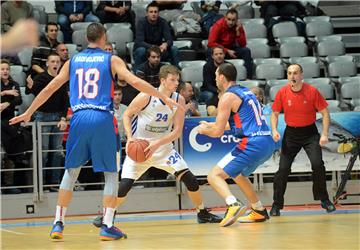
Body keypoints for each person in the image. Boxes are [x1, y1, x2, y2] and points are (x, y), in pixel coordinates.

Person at [9, 23, 182, 241]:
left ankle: (58, 223)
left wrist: (29, 112)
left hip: (79, 118)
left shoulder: (72, 61)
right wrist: (163, 97)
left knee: (71, 172)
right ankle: (107, 225)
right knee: (110, 174)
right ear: (103, 37)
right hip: (102, 117)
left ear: (86, 38)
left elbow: (50, 88)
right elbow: (135, 81)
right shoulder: (111, 59)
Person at [92, 65, 222, 229]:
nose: (176, 83)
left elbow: (177, 132)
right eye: (172, 80)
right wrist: (131, 138)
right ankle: (107, 215)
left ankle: (202, 213)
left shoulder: (178, 99)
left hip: (163, 149)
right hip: (140, 147)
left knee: (191, 180)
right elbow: (127, 114)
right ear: (162, 80)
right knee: (124, 187)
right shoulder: (146, 96)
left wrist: (158, 144)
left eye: (177, 79)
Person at [198, 63, 275, 226]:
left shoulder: (227, 97)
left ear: (221, 77)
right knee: (238, 175)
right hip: (267, 142)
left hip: (253, 142)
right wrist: (210, 125)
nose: (215, 79)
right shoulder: (246, 91)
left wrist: (203, 131)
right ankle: (259, 210)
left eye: (216, 76)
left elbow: (218, 133)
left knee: (213, 175)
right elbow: (234, 125)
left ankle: (232, 203)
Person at [270, 64, 336, 216]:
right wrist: (274, 130)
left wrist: (325, 134)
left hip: (310, 133)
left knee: (318, 164)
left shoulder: (312, 91)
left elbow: (325, 114)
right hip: (291, 134)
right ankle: (276, 205)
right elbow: (274, 114)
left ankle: (324, 200)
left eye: (295, 73)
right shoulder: (282, 92)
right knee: (283, 170)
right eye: (289, 73)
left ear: (301, 75)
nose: (292, 76)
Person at [27, 52, 69, 189]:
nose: (55, 64)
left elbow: (65, 101)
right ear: (47, 63)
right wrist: (30, 86)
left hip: (57, 117)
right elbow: (33, 93)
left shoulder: (62, 79)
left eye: (57, 62)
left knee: (57, 151)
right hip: (42, 116)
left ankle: (54, 182)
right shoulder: (41, 77)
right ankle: (41, 183)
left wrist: (63, 117)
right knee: (43, 151)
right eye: (53, 61)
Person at [133, 1, 179, 71]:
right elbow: (140, 42)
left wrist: (166, 44)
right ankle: (136, 74)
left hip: (158, 52)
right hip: (145, 50)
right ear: (147, 13)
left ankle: (176, 73)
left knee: (174, 49)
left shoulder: (163, 22)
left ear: (158, 13)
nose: (153, 14)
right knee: (141, 50)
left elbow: (170, 40)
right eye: (151, 12)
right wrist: (154, 48)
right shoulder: (141, 22)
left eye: (155, 12)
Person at [208, 9, 253, 79]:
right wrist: (226, 50)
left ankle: (248, 78)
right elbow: (211, 43)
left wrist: (238, 31)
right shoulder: (218, 25)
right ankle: (214, 78)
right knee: (210, 51)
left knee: (246, 51)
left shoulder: (238, 26)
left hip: (232, 48)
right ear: (225, 18)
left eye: (233, 20)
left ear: (236, 20)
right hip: (220, 49)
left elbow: (243, 44)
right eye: (229, 19)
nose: (231, 22)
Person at [1, 59, 23, 194]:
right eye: (2, 69)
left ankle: (8, 184)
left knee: (10, 154)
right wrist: (5, 94)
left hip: (10, 121)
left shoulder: (14, 84)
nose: (5, 71)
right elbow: (13, 97)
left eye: (7, 69)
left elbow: (19, 100)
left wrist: (7, 104)